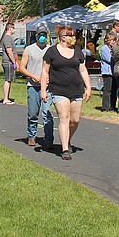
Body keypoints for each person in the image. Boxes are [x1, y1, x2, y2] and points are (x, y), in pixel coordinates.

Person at [40, 24, 92, 160]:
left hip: (76, 89)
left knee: (75, 120)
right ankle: (64, 149)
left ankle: (67, 139)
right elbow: (45, 72)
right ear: (63, 37)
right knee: (64, 118)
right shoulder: (51, 52)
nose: (74, 38)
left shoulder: (77, 51)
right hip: (58, 90)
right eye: (71, 35)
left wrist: (88, 87)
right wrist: (43, 90)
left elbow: (83, 69)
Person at [19, 26, 54, 147]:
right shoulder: (29, 49)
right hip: (33, 86)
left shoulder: (51, 50)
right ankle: (31, 135)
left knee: (47, 113)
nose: (42, 37)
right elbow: (21, 68)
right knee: (33, 113)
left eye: (45, 34)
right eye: (40, 34)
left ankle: (49, 139)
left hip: (48, 88)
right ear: (36, 35)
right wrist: (32, 75)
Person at [0, 22, 18, 105]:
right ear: (10, 28)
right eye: (13, 28)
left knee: (10, 79)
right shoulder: (7, 38)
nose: (14, 30)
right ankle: (5, 98)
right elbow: (9, 51)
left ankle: (7, 97)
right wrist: (14, 62)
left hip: (10, 61)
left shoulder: (9, 38)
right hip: (8, 61)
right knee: (8, 79)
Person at [99, 33, 116, 112]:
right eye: (112, 40)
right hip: (107, 72)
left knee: (113, 89)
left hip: (113, 71)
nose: (114, 42)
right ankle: (105, 107)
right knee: (107, 90)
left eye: (114, 40)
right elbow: (109, 59)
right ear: (107, 41)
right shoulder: (104, 49)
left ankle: (112, 105)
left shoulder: (113, 49)